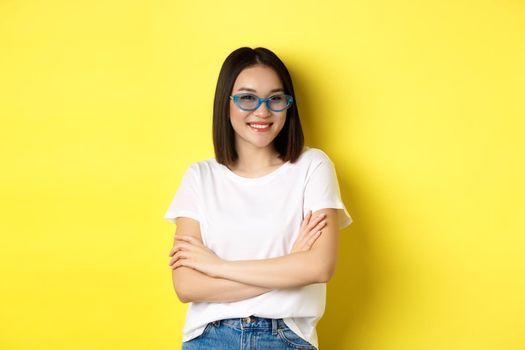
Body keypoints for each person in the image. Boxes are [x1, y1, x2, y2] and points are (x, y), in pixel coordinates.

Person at [164, 47, 353, 350]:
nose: (262, 111)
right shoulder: (199, 177)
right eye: (247, 98)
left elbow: (318, 267)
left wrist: (216, 266)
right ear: (226, 103)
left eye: (275, 98)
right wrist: (289, 266)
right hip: (208, 339)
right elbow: (187, 286)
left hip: (285, 337)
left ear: (288, 105)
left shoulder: (313, 167)